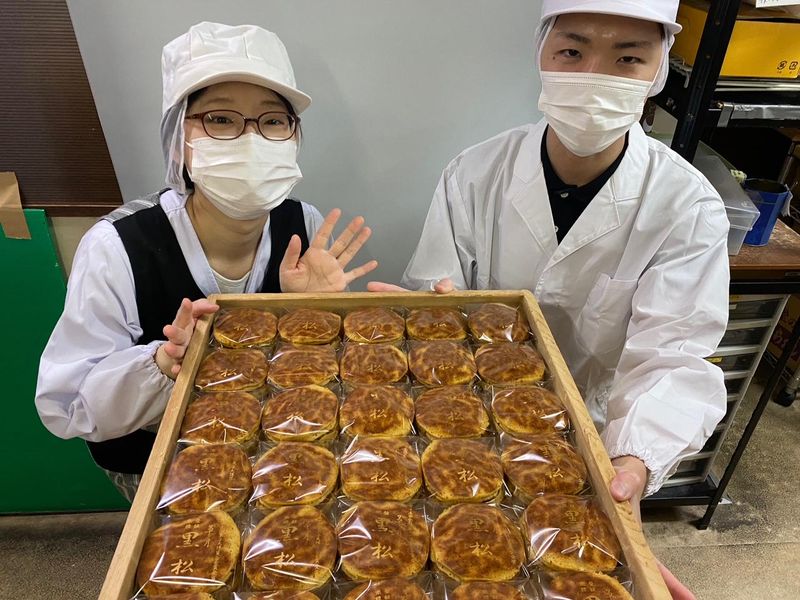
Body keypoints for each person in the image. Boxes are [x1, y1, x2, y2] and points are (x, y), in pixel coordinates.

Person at [370, 2, 728, 596]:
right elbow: (438, 293)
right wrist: (426, 316)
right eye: (572, 50)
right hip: (462, 430)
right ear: (541, 54)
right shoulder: (474, 173)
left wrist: (634, 460)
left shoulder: (684, 206)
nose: (594, 75)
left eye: (628, 59)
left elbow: (674, 354)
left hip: (589, 445)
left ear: (660, 72)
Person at [35, 22, 377, 501]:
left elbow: (321, 375)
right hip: (159, 467)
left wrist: (312, 316)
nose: (250, 138)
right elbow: (68, 404)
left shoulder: (304, 226)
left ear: (294, 137)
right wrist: (162, 364)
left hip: (279, 449)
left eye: (273, 121)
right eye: (220, 119)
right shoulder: (119, 246)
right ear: (178, 138)